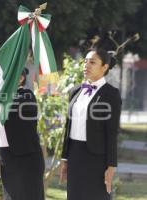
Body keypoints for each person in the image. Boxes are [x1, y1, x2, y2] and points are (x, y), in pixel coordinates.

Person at [59, 49, 122, 200]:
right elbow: (68, 126)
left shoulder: (111, 94)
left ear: (104, 67)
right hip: (74, 154)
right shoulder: (75, 91)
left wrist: (111, 165)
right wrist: (65, 158)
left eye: (92, 62)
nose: (86, 65)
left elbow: (112, 132)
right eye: (85, 61)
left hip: (96, 159)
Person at [0, 68, 45, 200]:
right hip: (6, 156)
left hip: (26, 159)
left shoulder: (26, 95)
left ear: (21, 78)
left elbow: (12, 106)